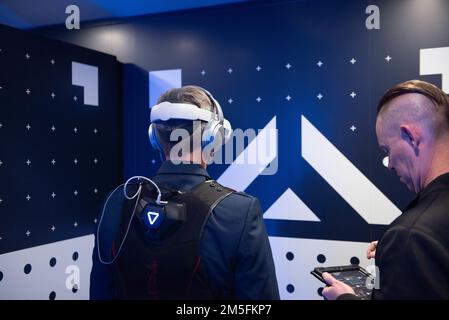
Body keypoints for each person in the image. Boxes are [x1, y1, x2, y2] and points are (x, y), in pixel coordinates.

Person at [90, 85, 279, 300]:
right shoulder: (240, 211)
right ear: (214, 136)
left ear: (154, 137)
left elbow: (100, 292)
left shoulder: (116, 201)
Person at [323, 80, 449, 300]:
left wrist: (345, 298)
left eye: (387, 150)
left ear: (410, 136)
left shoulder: (411, 237)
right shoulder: (417, 238)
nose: (389, 164)